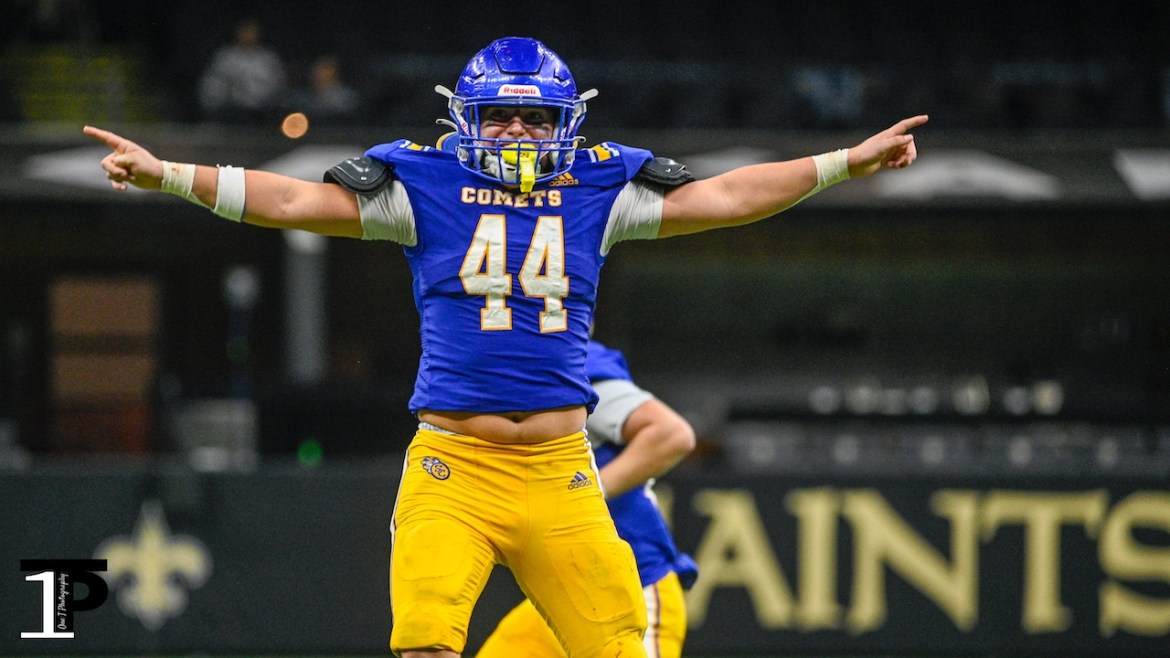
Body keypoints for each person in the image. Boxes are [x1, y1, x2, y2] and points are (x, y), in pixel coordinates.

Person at [85, 35, 926, 658]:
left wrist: (844, 164)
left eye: (535, 116)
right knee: (426, 644)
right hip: (456, 467)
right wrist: (170, 175)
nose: (519, 131)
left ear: (566, 122)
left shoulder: (601, 188)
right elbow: (293, 202)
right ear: (468, 120)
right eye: (501, 114)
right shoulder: (423, 184)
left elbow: (732, 194)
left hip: (563, 473)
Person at [476, 338, 698, 658]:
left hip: (633, 588)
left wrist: (584, 494)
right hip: (564, 597)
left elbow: (671, 434)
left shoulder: (570, 365)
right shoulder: (506, 367)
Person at [197, 17, 288, 124]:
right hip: (233, 110)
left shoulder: (268, 58)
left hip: (263, 111)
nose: (249, 35)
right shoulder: (226, 57)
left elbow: (280, 85)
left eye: (252, 32)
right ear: (238, 33)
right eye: (245, 32)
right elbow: (212, 87)